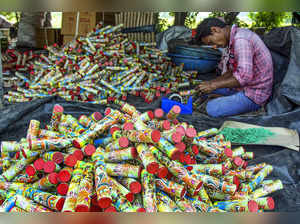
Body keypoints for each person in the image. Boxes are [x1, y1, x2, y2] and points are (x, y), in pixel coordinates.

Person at [194, 18, 273, 117]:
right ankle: (228, 98)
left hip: (254, 94)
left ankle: (245, 104)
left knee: (211, 108)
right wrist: (211, 83)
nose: (214, 46)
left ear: (215, 30)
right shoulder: (233, 39)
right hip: (241, 87)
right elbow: (232, 71)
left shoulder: (241, 40)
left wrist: (213, 85)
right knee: (203, 90)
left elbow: (243, 77)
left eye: (211, 42)